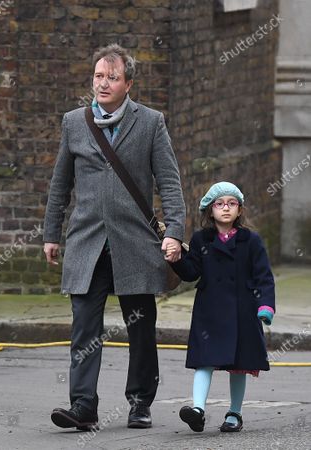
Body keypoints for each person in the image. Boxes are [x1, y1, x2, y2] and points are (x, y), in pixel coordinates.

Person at [43, 43, 186, 430]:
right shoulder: (74, 122)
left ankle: (140, 402)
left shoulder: (151, 122)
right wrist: (51, 233)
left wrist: (174, 230)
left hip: (135, 243)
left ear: (128, 83)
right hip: (87, 242)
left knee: (140, 328)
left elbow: (169, 182)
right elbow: (60, 183)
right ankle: (83, 406)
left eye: (112, 77)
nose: (103, 84)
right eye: (98, 76)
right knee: (84, 328)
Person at [166, 181, 275, 433]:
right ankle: (197, 410)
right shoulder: (201, 239)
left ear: (239, 210)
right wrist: (177, 260)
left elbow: (264, 277)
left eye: (232, 203)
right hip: (210, 311)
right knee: (204, 360)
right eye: (220, 204)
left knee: (239, 364)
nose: (226, 208)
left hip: (243, 311)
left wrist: (265, 306)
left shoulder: (251, 241)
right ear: (210, 209)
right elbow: (192, 272)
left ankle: (234, 413)